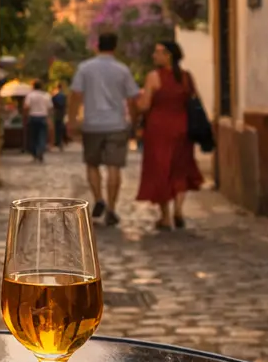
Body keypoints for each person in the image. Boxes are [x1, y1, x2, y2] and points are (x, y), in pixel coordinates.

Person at [69, 34, 141, 226]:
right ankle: (111, 208)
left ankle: (98, 198)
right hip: (116, 124)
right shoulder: (122, 70)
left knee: (92, 164)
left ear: (97, 46)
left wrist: (72, 120)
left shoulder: (85, 68)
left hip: (92, 124)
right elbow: (133, 98)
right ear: (115, 47)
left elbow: (75, 94)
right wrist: (133, 121)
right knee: (114, 167)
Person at [136, 40, 205, 230]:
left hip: (158, 129)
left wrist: (136, 102)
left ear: (168, 55)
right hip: (182, 128)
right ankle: (179, 210)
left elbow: (145, 105)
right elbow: (194, 99)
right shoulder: (186, 77)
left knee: (161, 170)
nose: (154, 55)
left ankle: (165, 216)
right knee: (180, 168)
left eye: (158, 52)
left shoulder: (153, 77)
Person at [22, 80, 53, 163]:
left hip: (33, 117)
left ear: (33, 86)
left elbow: (26, 107)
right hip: (43, 117)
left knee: (33, 137)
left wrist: (25, 115)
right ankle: (41, 151)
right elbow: (50, 108)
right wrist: (49, 118)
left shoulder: (30, 95)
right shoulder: (46, 95)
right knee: (42, 136)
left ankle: (35, 153)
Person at [50, 84, 68, 150]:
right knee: (61, 126)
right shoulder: (64, 96)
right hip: (62, 113)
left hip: (56, 112)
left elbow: (52, 103)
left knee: (57, 127)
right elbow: (65, 104)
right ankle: (61, 141)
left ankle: (57, 141)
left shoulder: (55, 96)